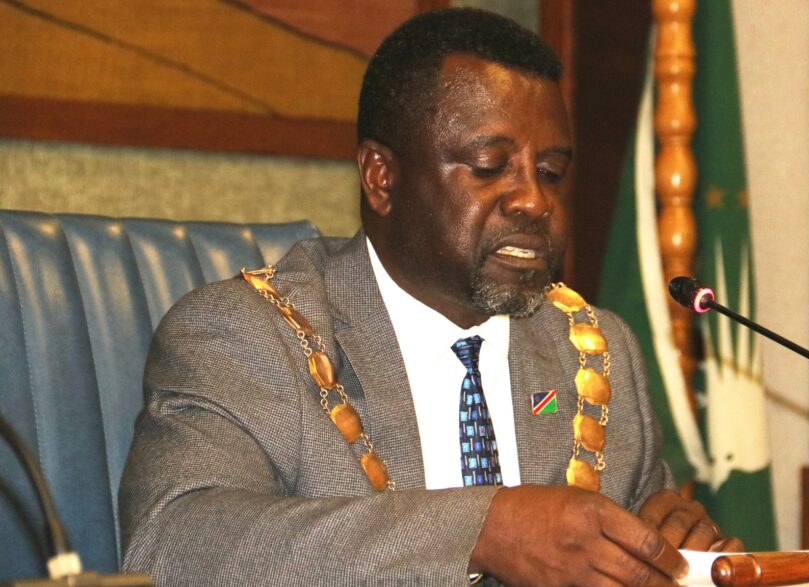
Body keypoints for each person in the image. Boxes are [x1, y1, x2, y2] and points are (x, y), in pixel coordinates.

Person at [119, 8, 742, 586]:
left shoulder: (596, 350)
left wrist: (672, 549)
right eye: (490, 165)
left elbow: (633, 540)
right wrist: (481, 528)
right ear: (381, 178)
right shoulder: (250, 335)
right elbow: (172, 544)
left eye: (550, 172)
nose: (534, 201)